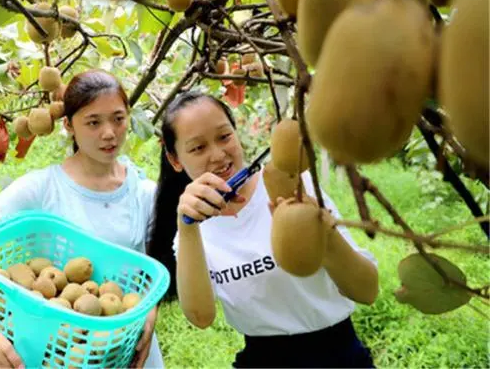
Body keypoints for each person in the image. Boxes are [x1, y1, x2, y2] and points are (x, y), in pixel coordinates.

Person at [0, 69, 164, 369]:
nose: (109, 133)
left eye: (118, 119)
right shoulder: (43, 189)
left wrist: (149, 312)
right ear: (69, 125)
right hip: (57, 354)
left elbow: (157, 269)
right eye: (93, 122)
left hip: (126, 353)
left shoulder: (145, 192)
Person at [148, 89, 379, 368]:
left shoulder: (289, 186)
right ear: (175, 160)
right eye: (198, 148)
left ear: (237, 132)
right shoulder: (192, 229)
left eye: (224, 136)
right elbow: (201, 317)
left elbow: (366, 291)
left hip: (338, 355)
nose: (219, 154)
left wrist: (324, 235)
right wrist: (187, 229)